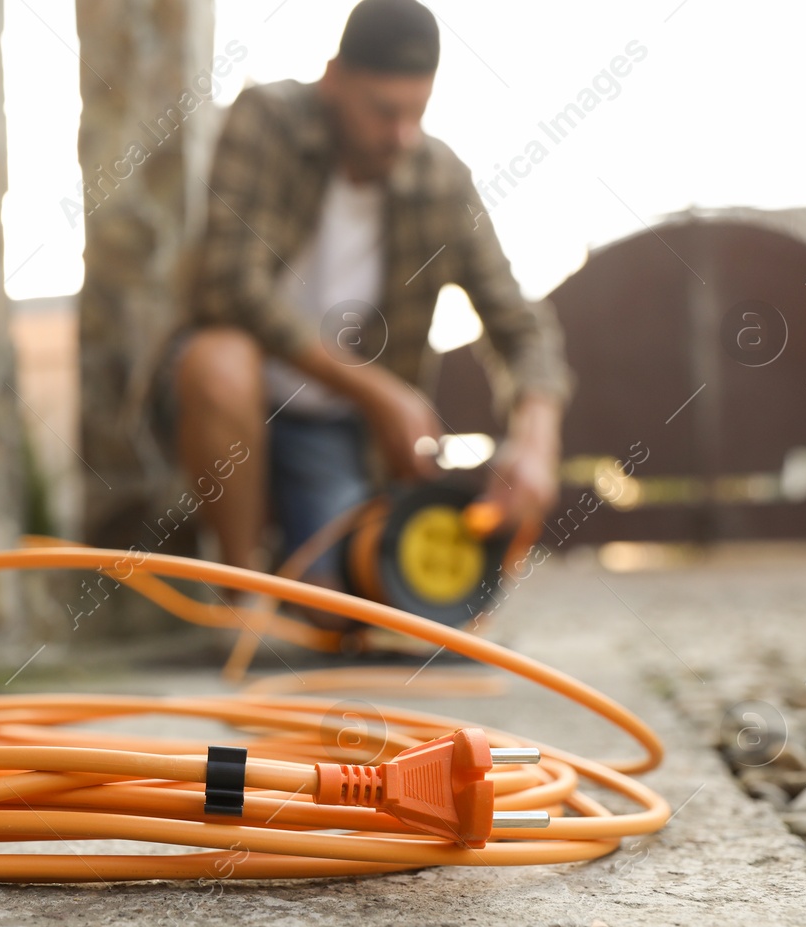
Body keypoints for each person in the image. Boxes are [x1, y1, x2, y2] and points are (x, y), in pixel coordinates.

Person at [160, 0, 570, 583]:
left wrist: (535, 440)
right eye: (383, 112)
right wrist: (383, 394)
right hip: (236, 405)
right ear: (334, 79)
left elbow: (521, 328)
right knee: (217, 361)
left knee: (352, 594)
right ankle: (242, 598)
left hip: (335, 433)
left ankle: (307, 580)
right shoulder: (266, 122)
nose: (402, 135)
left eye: (418, 111)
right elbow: (229, 288)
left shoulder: (442, 180)